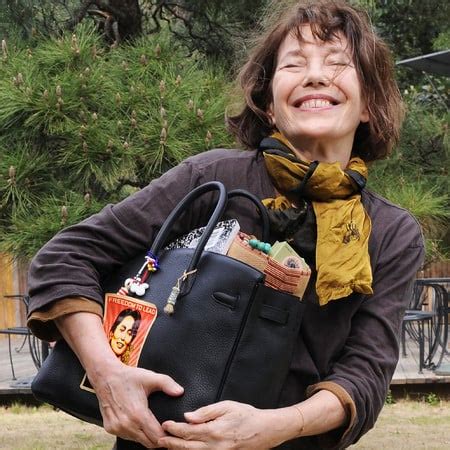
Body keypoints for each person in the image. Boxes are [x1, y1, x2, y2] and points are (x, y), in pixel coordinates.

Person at [27, 1, 424, 449]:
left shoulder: (392, 232)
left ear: (369, 103)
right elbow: (64, 258)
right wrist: (108, 375)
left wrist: (273, 427)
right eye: (294, 64)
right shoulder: (211, 178)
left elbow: (366, 373)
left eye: (338, 64)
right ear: (269, 104)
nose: (316, 75)